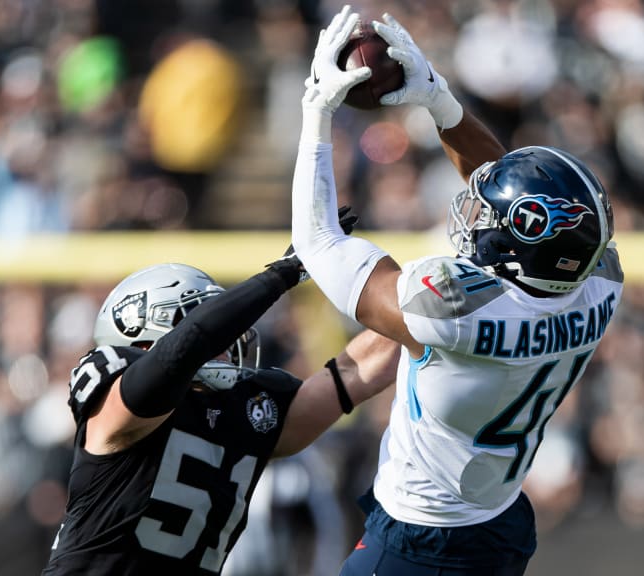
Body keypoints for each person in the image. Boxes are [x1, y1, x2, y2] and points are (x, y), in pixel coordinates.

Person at [292, 6, 624, 574]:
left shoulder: (454, 305)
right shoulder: (598, 282)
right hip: (498, 522)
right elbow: (512, 199)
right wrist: (438, 100)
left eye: (489, 219)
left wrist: (317, 109)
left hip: (419, 539)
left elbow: (318, 241)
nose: (473, 213)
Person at [41, 240, 401, 575]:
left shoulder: (242, 410)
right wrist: (278, 277)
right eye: (208, 318)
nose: (228, 339)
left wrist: (422, 298)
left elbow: (353, 374)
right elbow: (181, 353)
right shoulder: (116, 403)